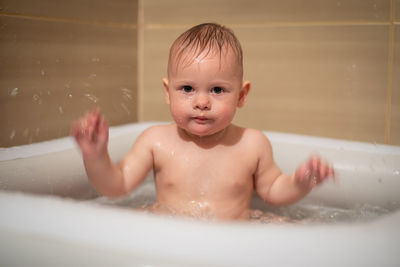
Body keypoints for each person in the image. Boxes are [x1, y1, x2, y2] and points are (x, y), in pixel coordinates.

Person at [71, 23, 335, 220]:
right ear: (167, 92)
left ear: (241, 95)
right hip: (167, 237)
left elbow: (274, 192)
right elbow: (117, 185)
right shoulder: (155, 141)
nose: (201, 102)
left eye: (217, 90)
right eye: (187, 88)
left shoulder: (252, 144)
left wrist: (300, 183)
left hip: (231, 241)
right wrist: (95, 156)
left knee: (290, 228)